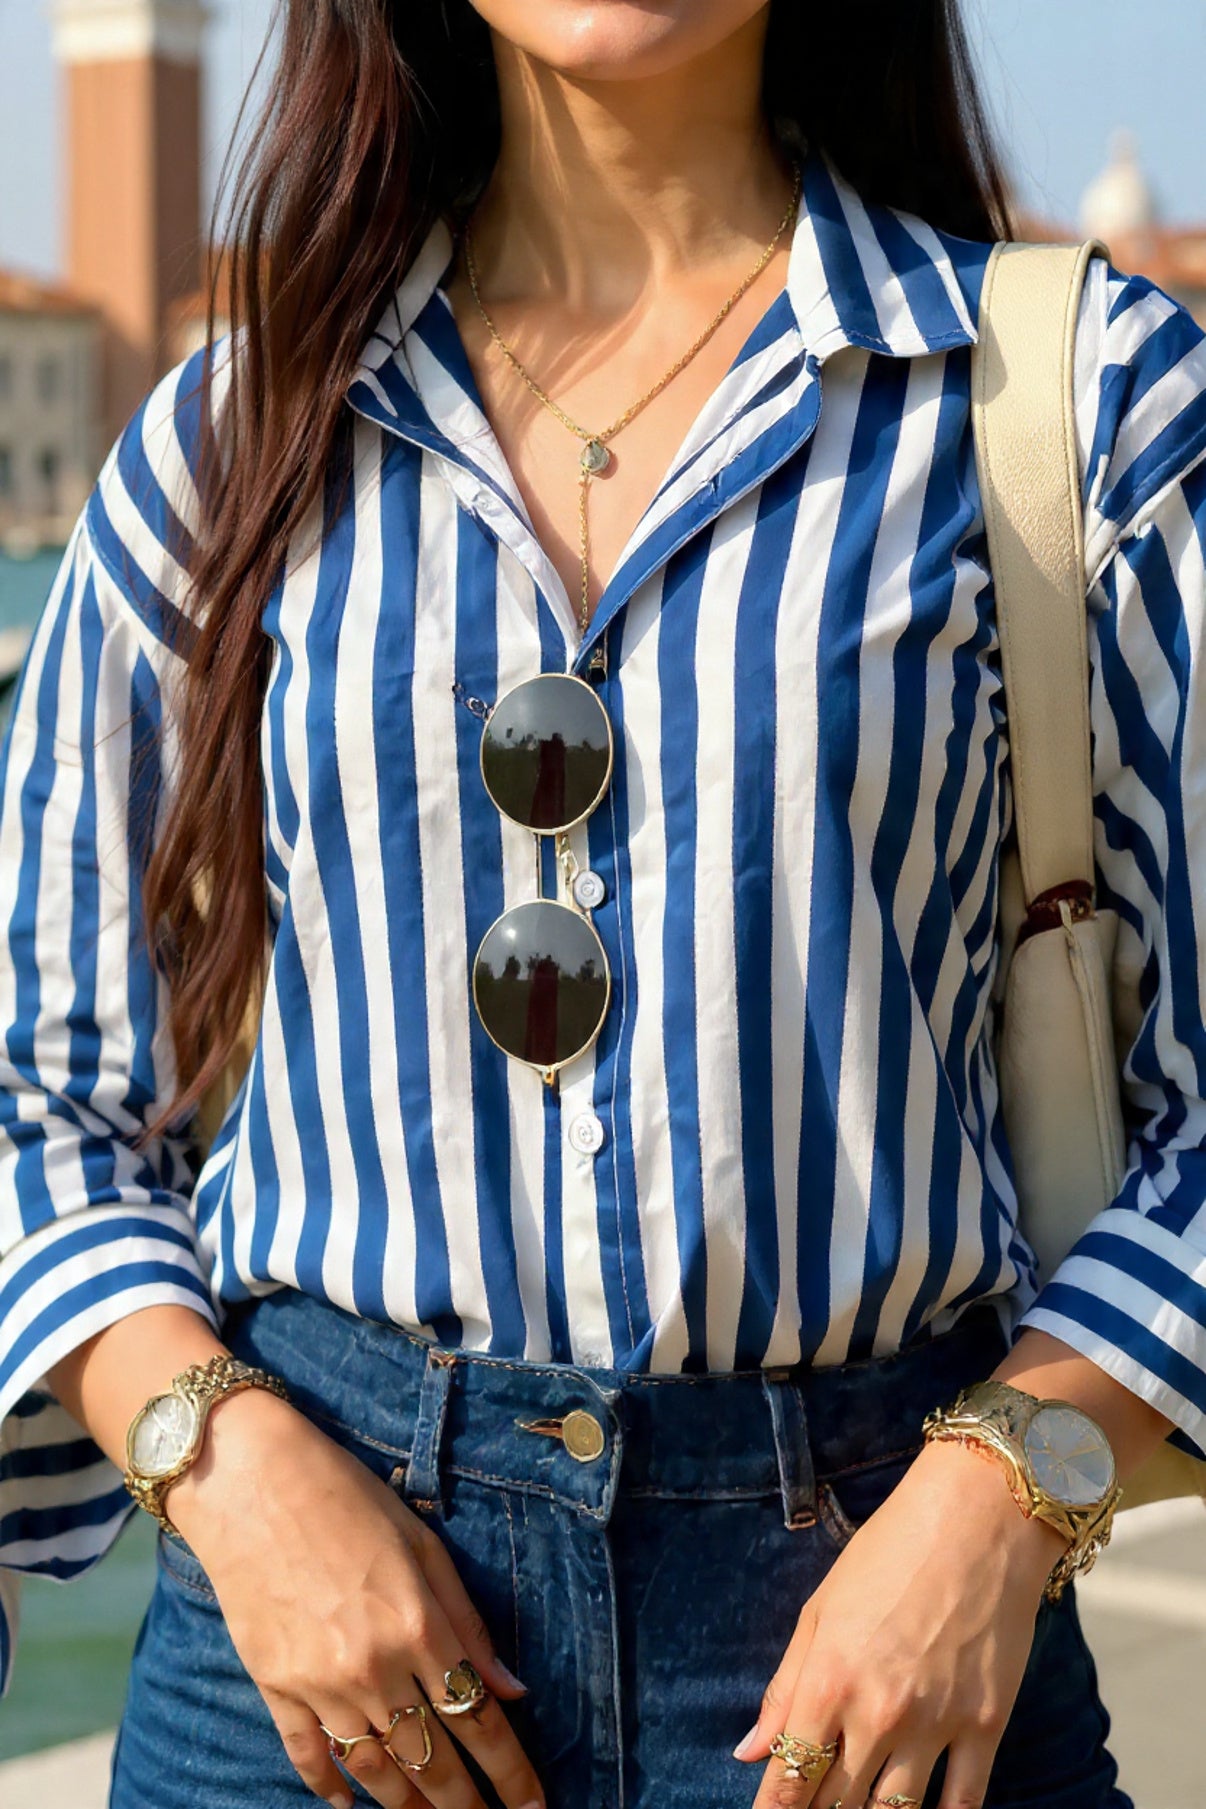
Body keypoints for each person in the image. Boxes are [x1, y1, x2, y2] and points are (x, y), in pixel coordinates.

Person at [1, 1, 1203, 1805]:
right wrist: (223, 1470)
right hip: (311, 1659)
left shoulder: (1077, 402)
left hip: (886, 1644)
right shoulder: (235, 436)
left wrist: (1004, 1491)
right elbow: (41, 1082)